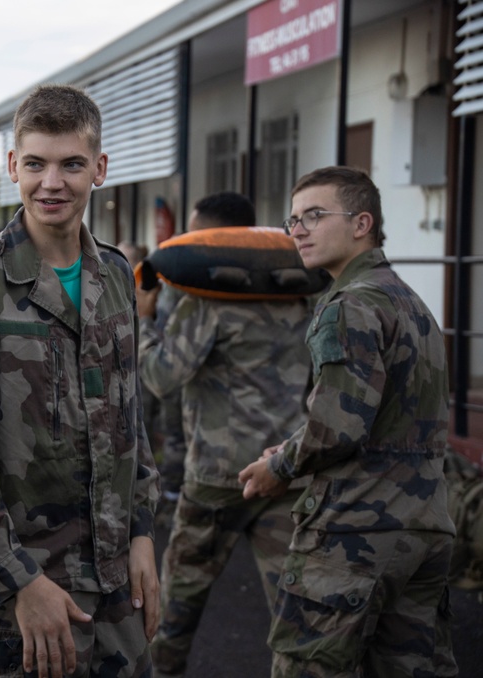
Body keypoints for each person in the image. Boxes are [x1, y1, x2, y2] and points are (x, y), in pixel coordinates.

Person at [0, 84, 160, 678]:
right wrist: (19, 580)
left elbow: (130, 418)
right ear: (12, 168)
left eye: (72, 164)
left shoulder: (115, 278)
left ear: (99, 169)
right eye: (36, 164)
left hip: (115, 584)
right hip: (26, 600)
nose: (52, 182)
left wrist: (143, 534)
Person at [239, 166, 458, 677]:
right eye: (293, 219)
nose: (298, 230)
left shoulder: (348, 304)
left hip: (355, 533)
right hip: (423, 525)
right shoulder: (410, 301)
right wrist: (293, 446)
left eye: (314, 216)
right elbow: (375, 411)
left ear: (362, 223)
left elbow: (338, 426)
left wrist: (282, 468)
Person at [137, 191, 312, 678]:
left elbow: (159, 376)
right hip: (285, 470)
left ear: (208, 236)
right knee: (294, 609)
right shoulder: (299, 293)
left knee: (177, 607)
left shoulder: (207, 300)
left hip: (219, 475)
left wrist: (144, 318)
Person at [149, 192, 260, 526]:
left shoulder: (192, 283)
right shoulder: (287, 280)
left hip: (212, 453)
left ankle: (170, 500)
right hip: (275, 455)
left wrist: (142, 319)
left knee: (184, 574)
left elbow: (161, 368)